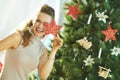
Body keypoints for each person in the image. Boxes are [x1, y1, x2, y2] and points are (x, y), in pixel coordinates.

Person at [0, 4, 62, 80]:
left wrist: (54, 50)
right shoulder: (17, 37)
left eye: (45, 24)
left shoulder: (42, 50)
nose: (40, 26)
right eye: (38, 21)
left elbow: (43, 76)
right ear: (33, 20)